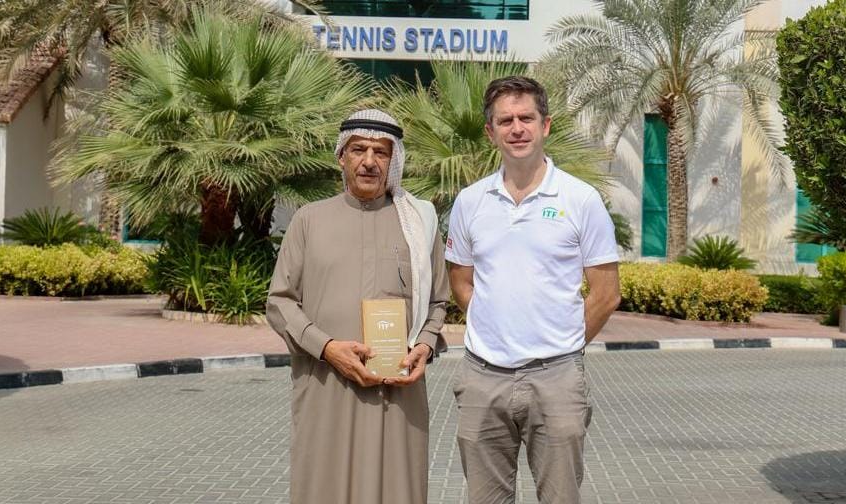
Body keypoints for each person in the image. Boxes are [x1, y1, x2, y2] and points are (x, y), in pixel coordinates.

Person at [445, 76, 621, 504]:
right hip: (482, 377)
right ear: (490, 132)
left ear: (546, 125)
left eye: (526, 118)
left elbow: (606, 293)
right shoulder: (470, 201)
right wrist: (497, 328)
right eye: (505, 121)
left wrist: (561, 342)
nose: (517, 128)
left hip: (556, 379)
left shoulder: (580, 199)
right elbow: (461, 282)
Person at [266, 109, 449, 504]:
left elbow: (438, 301)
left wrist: (425, 345)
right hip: (325, 387)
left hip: (398, 394)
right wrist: (327, 347)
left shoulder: (418, 224)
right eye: (359, 149)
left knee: (397, 490)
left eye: (381, 152)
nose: (369, 161)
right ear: (341, 157)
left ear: (393, 161)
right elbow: (280, 302)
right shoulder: (308, 220)